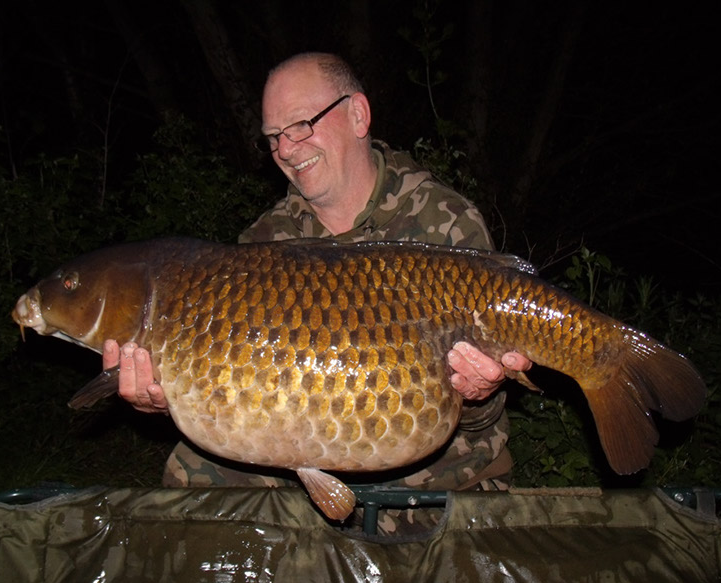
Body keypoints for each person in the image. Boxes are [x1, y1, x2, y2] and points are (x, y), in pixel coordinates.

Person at [104, 53, 531, 525]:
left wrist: (480, 394)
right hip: (306, 447)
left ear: (358, 115)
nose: (287, 149)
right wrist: (170, 398)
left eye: (301, 125)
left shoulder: (443, 222)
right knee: (190, 472)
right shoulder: (262, 244)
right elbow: (235, 391)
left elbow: (485, 414)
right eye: (273, 137)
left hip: (435, 457)